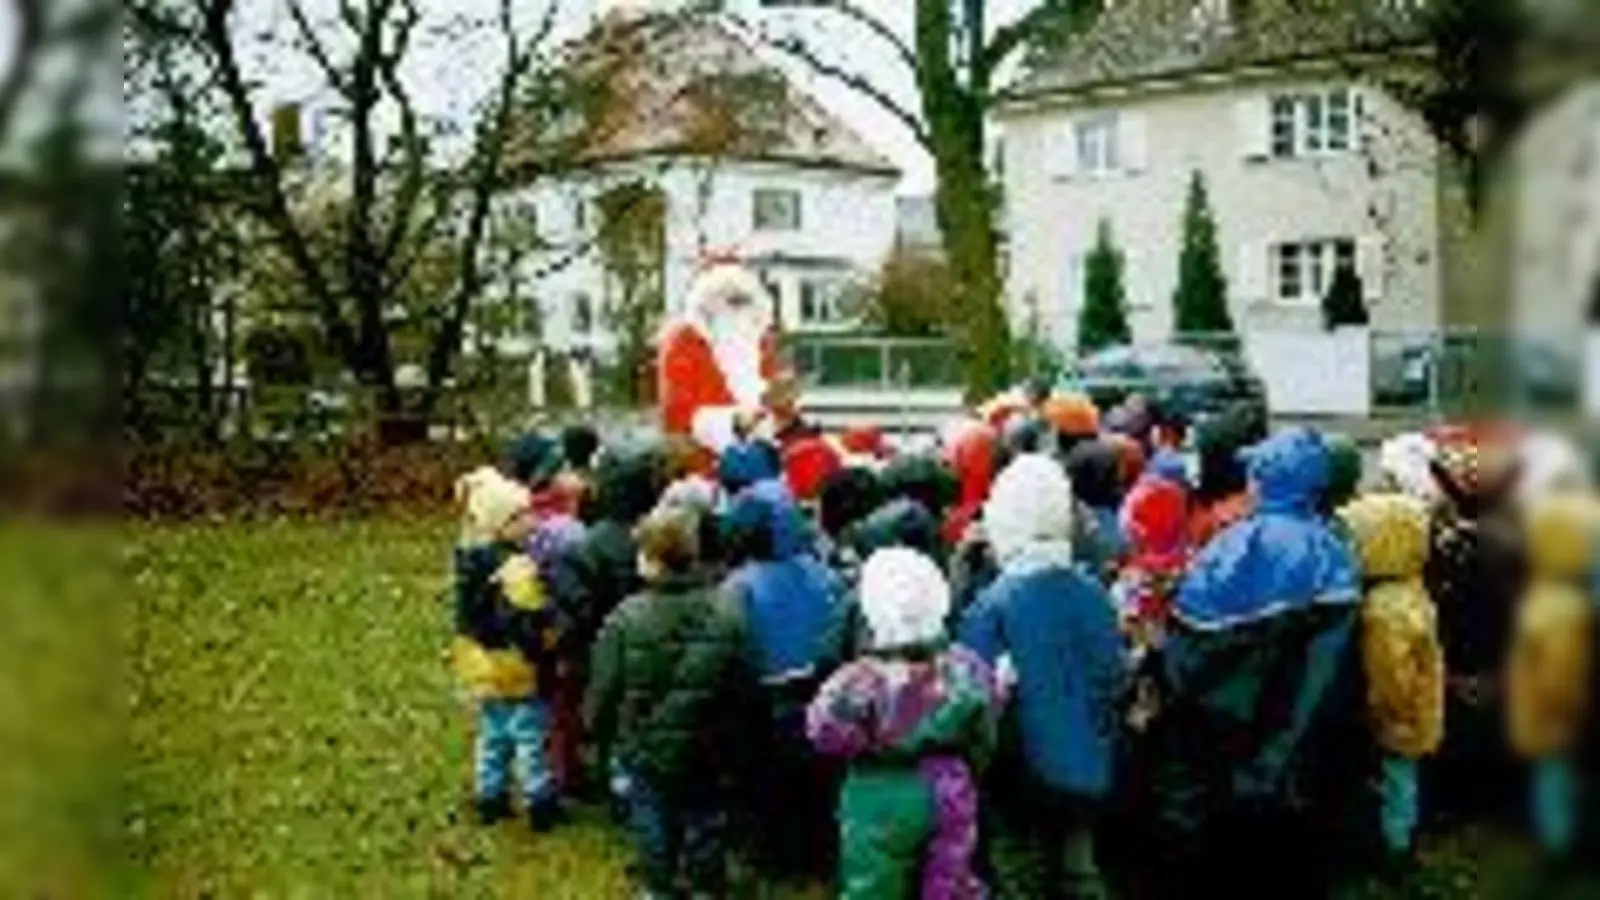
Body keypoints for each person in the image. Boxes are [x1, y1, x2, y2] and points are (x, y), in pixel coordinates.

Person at [1147, 428, 1361, 898]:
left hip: (1217, 736)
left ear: (1265, 481)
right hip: (1295, 744)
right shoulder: (1336, 551)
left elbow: (1188, 653)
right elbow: (1330, 662)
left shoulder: (1229, 546)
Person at [959, 454, 1126, 900]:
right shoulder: (1094, 593)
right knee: (1079, 861)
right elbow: (1113, 673)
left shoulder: (992, 604)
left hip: (1018, 774)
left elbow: (970, 688)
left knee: (1019, 867)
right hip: (1089, 762)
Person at [808, 548, 1003, 900]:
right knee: (951, 880)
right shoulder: (967, 667)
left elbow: (823, 734)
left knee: (873, 886)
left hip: (877, 792)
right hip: (951, 785)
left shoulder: (855, 681)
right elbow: (986, 732)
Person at [585, 508, 753, 899]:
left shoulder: (624, 619)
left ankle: (658, 886)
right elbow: (743, 682)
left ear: (650, 561)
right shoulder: (728, 609)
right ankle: (704, 884)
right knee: (706, 816)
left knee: (652, 819)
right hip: (709, 741)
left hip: (644, 744)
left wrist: (599, 729)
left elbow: (605, 686)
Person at [721, 477, 841, 878]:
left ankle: (773, 856)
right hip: (819, 694)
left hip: (762, 704)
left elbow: (733, 649)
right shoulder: (824, 574)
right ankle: (816, 852)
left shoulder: (738, 585)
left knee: (765, 785)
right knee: (816, 786)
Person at [1423, 426, 1528, 824]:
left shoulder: (1441, 550)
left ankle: (1454, 801)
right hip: (1499, 671)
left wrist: (1450, 675)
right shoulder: (1520, 547)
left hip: (1458, 673)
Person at [450, 467, 564, 830]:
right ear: (501, 524)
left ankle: (490, 794)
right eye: (521, 515)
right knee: (529, 734)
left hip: (477, 660)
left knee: (492, 731)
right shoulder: (517, 567)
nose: (532, 521)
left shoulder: (468, 557)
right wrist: (546, 645)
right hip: (516, 665)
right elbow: (526, 620)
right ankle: (538, 799)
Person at [1340, 493, 1444, 861]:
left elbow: (1389, 676)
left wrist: (1384, 716)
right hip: (1419, 704)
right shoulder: (1410, 588)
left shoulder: (1383, 611)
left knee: (1397, 781)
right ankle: (1405, 834)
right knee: (1405, 778)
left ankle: (1396, 845)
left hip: (1396, 717)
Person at [1508, 492, 1599, 859]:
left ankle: (1557, 839)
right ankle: (1559, 843)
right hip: (1561, 712)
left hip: (1544, 711)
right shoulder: (1566, 605)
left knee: (1552, 775)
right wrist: (1574, 706)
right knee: (1557, 775)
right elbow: (1560, 673)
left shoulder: (1542, 599)